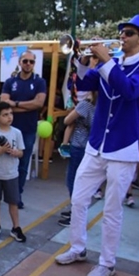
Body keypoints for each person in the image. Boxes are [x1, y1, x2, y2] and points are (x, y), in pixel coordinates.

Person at [55, 14, 139, 276]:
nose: (122, 37)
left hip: (122, 147)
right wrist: (80, 59)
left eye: (129, 33)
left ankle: (107, 263)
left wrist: (106, 61)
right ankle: (77, 248)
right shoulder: (111, 62)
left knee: (112, 209)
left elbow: (129, 91)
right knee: (78, 199)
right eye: (122, 32)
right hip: (96, 144)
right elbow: (84, 84)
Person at [0, 51, 47, 209]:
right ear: (20, 62)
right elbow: (4, 102)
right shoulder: (10, 81)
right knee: (4, 161)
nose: (28, 64)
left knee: (22, 164)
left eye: (31, 62)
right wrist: (27, 105)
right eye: (25, 61)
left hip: (28, 129)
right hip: (9, 129)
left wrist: (16, 104)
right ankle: (2, 193)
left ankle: (16, 195)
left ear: (34, 64)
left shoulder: (39, 82)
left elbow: (39, 103)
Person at [0, 102, 26, 242]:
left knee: (13, 201)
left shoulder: (17, 132)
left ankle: (16, 227)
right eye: (5, 115)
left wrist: (15, 152)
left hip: (11, 174)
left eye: (11, 114)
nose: (9, 117)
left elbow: (21, 152)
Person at [58, 90, 97, 227]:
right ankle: (76, 211)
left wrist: (75, 111)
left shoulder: (85, 106)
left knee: (73, 181)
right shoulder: (103, 107)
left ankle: (76, 214)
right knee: (83, 181)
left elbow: (67, 120)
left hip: (79, 145)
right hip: (91, 147)